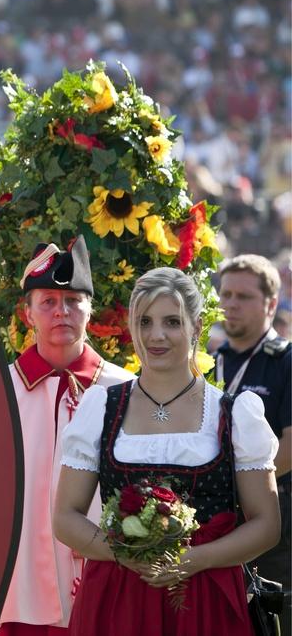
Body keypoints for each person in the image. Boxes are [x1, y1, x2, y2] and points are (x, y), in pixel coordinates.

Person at [54, 267, 280, 635]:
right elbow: (65, 517)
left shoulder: (234, 413)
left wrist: (194, 559)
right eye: (144, 321)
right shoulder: (101, 407)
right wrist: (127, 556)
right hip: (117, 598)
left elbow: (267, 525)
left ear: (196, 325)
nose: (156, 335)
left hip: (204, 598)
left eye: (172, 322)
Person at [0, 236, 134, 635]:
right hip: (21, 588)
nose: (62, 312)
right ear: (28, 314)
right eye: (49, 303)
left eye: (74, 301)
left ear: (90, 310)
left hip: (107, 583)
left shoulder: (123, 389)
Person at [214, 254, 290, 633]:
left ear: (271, 304)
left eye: (243, 296)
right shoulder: (210, 361)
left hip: (276, 525)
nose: (230, 303)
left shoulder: (287, 361)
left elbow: (291, 445)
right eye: (225, 294)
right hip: (219, 524)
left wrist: (238, 489)